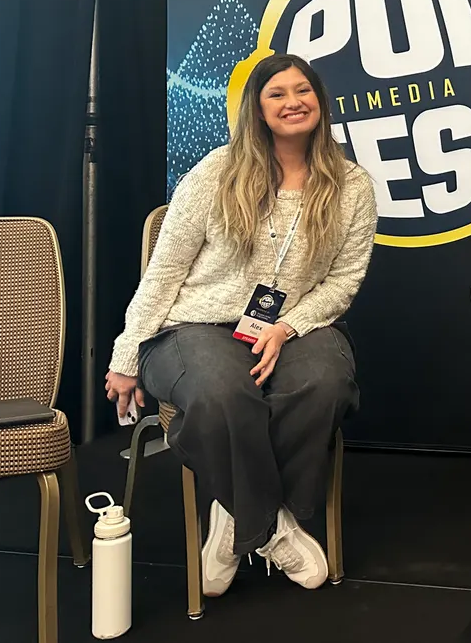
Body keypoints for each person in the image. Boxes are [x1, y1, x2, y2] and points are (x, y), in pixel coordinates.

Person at [104, 53, 378, 597]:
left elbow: (344, 280)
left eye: (303, 90)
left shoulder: (352, 186)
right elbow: (165, 271)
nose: (293, 102)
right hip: (193, 326)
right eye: (277, 93)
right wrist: (127, 354)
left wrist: (288, 326)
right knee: (221, 392)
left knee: (324, 382)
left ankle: (234, 516)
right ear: (257, 108)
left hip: (294, 325)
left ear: (320, 102)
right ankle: (270, 526)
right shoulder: (217, 171)